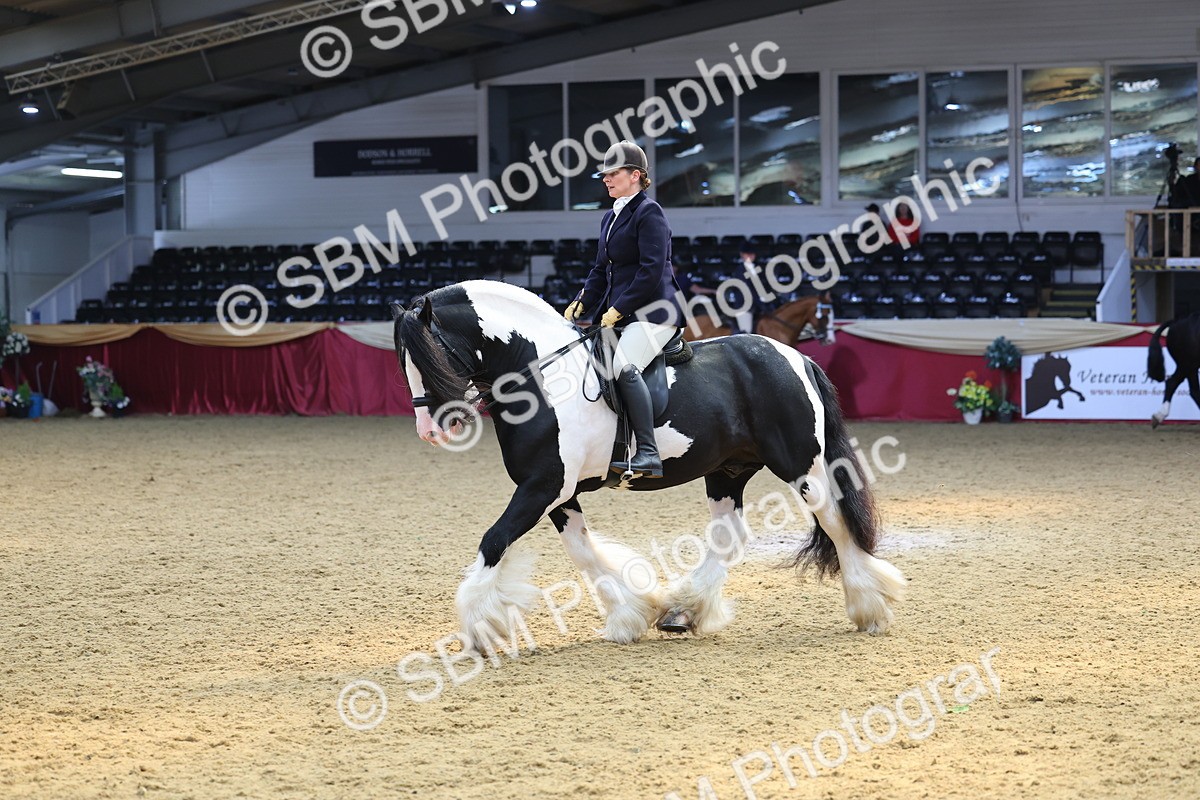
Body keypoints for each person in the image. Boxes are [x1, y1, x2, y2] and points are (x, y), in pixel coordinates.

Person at [564, 141, 684, 479]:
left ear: (636, 176)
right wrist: (582, 301)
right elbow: (602, 270)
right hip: (623, 313)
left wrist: (618, 308)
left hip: (655, 313)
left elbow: (650, 269)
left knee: (623, 365)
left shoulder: (650, 213)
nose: (606, 179)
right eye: (604, 174)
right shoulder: (610, 217)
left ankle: (648, 452)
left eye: (613, 173)